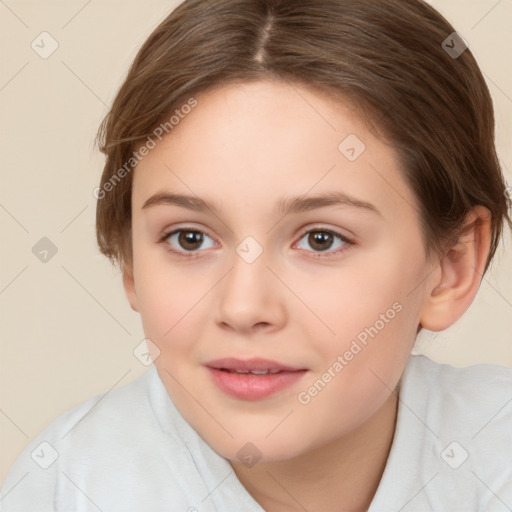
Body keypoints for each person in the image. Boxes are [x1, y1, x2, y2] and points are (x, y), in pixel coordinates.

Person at [1, 0, 511, 510]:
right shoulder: (67, 487)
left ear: (451, 266)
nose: (243, 308)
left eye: (320, 240)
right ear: (131, 261)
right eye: (190, 238)